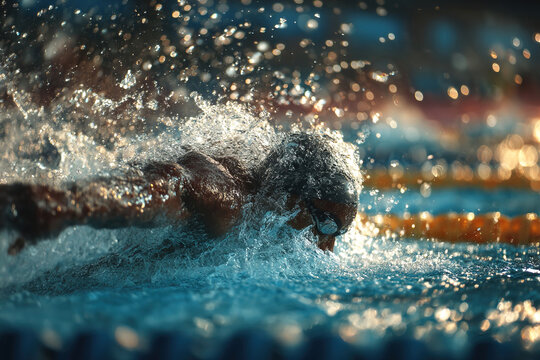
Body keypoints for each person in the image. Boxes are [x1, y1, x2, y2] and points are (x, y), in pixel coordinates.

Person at [0, 133, 359, 255]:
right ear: (289, 199)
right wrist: (68, 206)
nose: (326, 248)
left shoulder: (259, 195)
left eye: (339, 233)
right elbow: (175, 182)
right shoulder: (231, 202)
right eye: (325, 225)